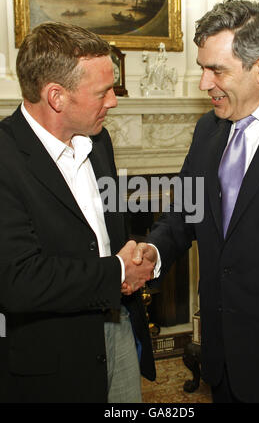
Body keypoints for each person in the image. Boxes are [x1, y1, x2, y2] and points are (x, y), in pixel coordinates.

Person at [128, 0, 259, 402]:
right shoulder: (208, 129)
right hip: (221, 360)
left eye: (215, 70)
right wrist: (154, 250)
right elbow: (185, 212)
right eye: (202, 68)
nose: (204, 83)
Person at [0, 22, 155, 403]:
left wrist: (138, 253)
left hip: (117, 331)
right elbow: (18, 280)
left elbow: (107, 230)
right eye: (103, 92)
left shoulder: (98, 141)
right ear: (56, 97)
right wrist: (117, 271)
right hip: (53, 359)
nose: (114, 101)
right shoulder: (4, 158)